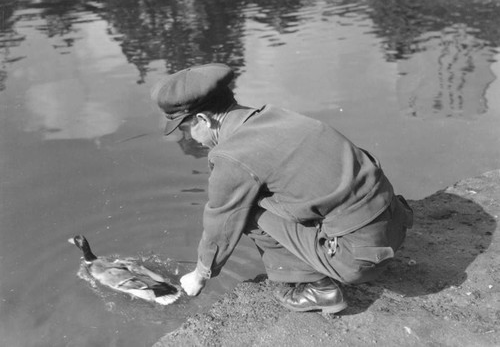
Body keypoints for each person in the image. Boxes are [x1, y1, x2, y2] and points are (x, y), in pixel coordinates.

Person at [151, 63, 413, 313]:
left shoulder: (231, 155)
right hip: (397, 223)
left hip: (359, 259)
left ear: (203, 119)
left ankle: (315, 287)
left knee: (244, 211)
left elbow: (220, 224)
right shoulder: (277, 116)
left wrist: (200, 274)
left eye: (187, 129)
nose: (188, 138)